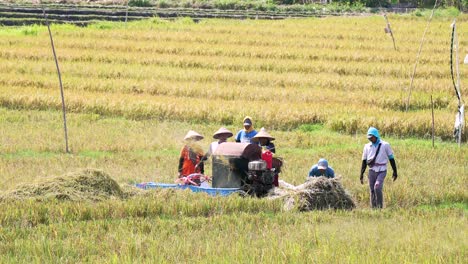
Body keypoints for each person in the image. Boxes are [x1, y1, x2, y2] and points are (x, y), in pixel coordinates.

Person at [360, 127, 398, 209]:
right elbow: (364, 161)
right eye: (369, 137)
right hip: (371, 170)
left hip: (382, 170)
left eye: (372, 137)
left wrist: (395, 171)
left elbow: (391, 158)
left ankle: (379, 207)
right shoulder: (367, 146)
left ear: (376, 136)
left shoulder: (385, 145)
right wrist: (361, 174)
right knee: (372, 190)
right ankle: (373, 208)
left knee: (377, 187)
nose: (370, 139)